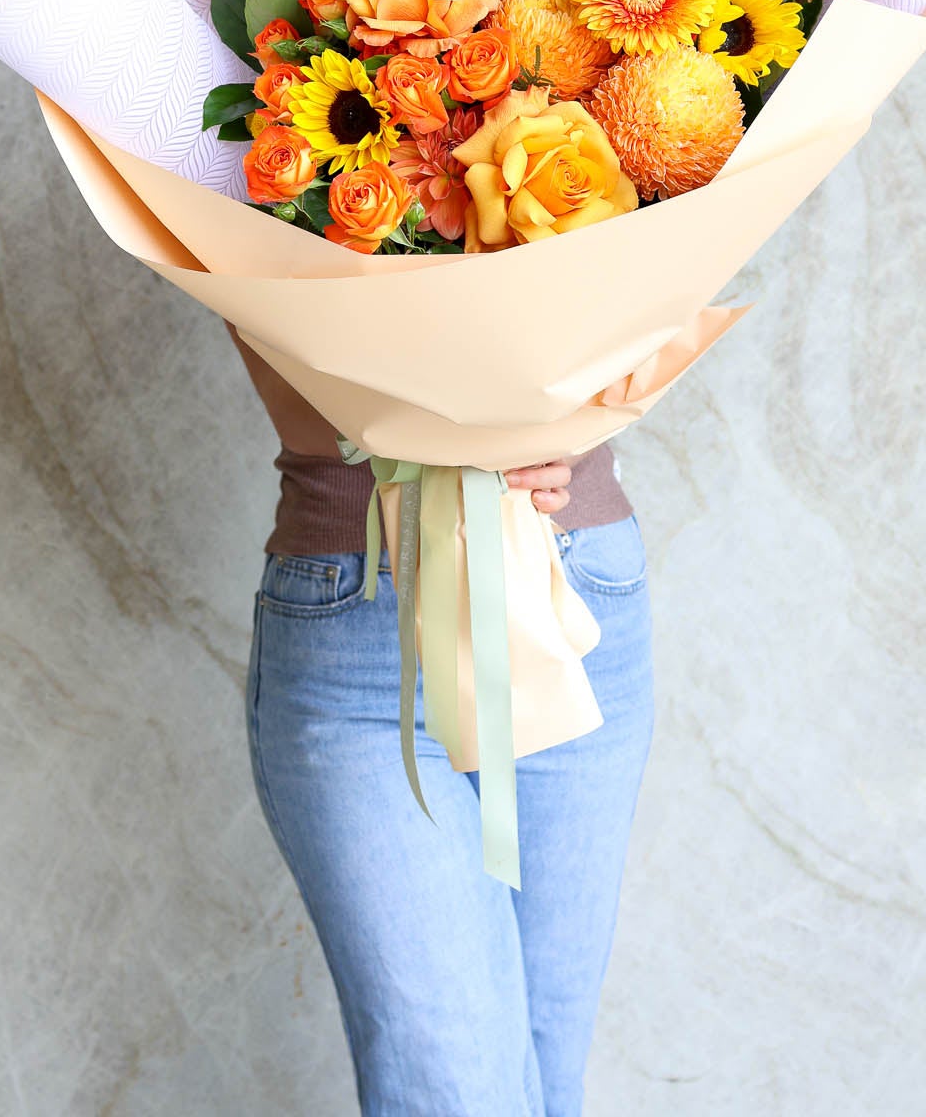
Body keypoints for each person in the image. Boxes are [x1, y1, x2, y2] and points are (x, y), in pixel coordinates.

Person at [231, 328, 653, 1117]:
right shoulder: (220, 191)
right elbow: (228, 255)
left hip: (570, 588)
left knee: (546, 1074)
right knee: (458, 1087)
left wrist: (575, 420)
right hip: (357, 628)